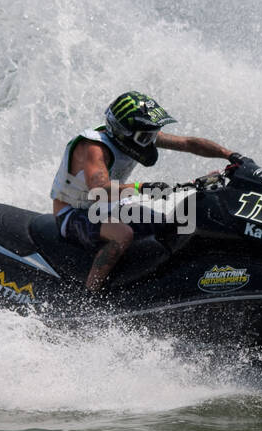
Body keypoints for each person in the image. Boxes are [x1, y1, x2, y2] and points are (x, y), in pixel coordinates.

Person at [50, 92, 240, 290]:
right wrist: (142, 187)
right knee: (122, 235)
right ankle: (90, 297)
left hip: (110, 206)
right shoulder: (94, 148)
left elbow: (188, 144)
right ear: (123, 131)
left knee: (172, 226)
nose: (152, 140)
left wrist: (230, 155)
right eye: (146, 135)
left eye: (153, 133)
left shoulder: (138, 136)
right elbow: (99, 190)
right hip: (72, 213)